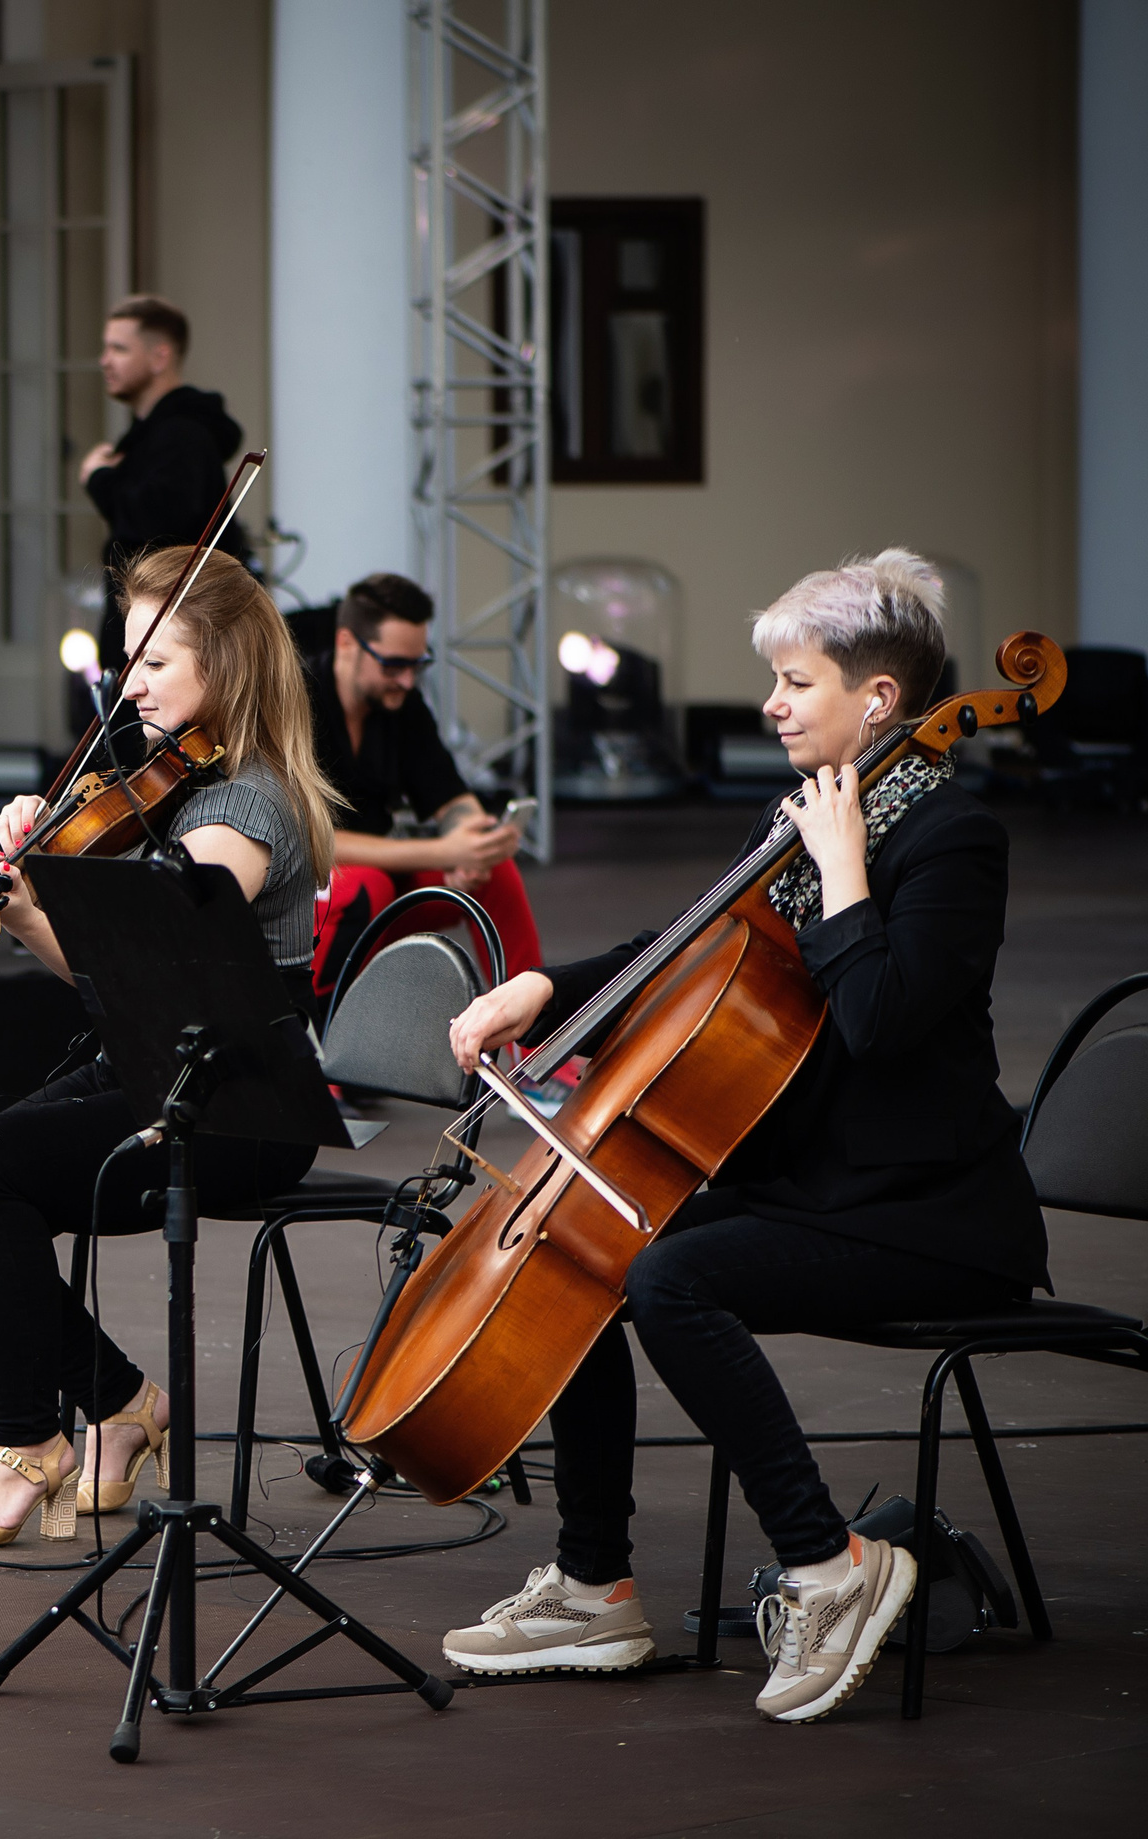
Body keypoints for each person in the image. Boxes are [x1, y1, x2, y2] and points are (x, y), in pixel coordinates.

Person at [437, 549, 1045, 1724]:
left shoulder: (948, 839)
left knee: (674, 1276)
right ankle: (593, 1583)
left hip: (927, 1215)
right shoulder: (814, 821)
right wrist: (540, 987)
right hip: (816, 1188)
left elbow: (880, 1023)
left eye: (795, 681)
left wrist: (844, 874)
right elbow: (687, 951)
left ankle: (830, 1567)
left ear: (877, 701)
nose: (770, 703)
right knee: (600, 1260)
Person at [0, 546, 342, 1547]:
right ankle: (126, 1404)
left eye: (154, 663)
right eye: (126, 657)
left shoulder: (241, 812)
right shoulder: (166, 790)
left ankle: (24, 1442)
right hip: (155, 1067)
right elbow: (115, 988)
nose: (125, 683)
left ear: (221, 670)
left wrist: (25, 910)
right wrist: (25, 883)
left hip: (239, 1101)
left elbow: (142, 982)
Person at [305, 572, 543, 998]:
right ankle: (320, 1036)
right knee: (366, 886)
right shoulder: (297, 699)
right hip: (309, 902)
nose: (408, 680)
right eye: (394, 664)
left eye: (417, 664)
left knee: (497, 871)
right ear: (346, 643)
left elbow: (449, 795)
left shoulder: (402, 704)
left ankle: (539, 1041)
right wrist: (443, 851)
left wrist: (473, 838)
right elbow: (307, 839)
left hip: (382, 892)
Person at [80, 295, 254, 677]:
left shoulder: (181, 436)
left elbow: (153, 524)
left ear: (160, 357)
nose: (104, 360)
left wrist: (99, 479)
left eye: (119, 348)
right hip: (153, 639)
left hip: (169, 644)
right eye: (105, 348)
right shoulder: (157, 435)